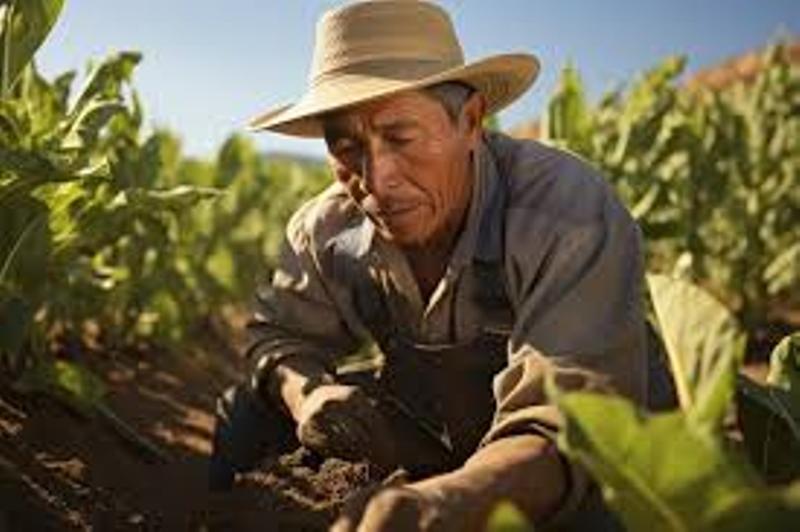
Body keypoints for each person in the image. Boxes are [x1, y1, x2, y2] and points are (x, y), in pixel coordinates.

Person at [210, 1, 662, 530]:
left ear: (470, 122)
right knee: (247, 409)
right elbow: (277, 339)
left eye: (401, 137)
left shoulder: (564, 211)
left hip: (595, 451)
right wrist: (308, 394)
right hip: (440, 430)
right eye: (347, 146)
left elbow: (573, 427)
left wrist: (446, 504)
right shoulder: (326, 229)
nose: (377, 180)